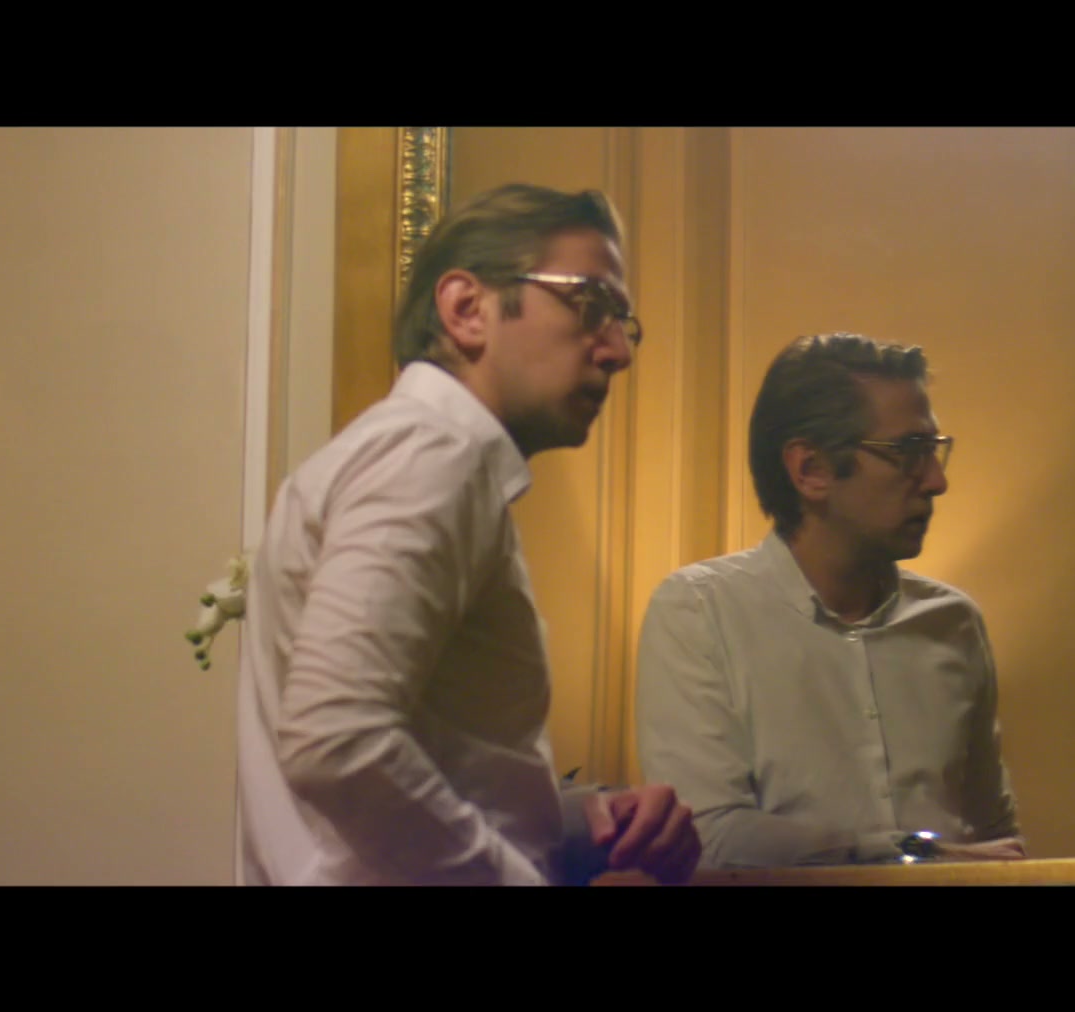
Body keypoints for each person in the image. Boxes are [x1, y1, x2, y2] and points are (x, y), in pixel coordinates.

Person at [236, 183, 700, 886]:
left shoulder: (413, 453)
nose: (616, 351)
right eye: (590, 303)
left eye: (621, 322)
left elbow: (430, 773)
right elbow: (336, 739)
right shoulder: (432, 454)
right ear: (466, 309)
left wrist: (588, 822)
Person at [635, 333, 1024, 868]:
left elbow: (994, 837)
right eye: (908, 453)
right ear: (810, 470)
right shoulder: (700, 612)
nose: (936, 481)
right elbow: (710, 837)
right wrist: (904, 854)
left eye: (934, 450)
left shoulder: (953, 622)